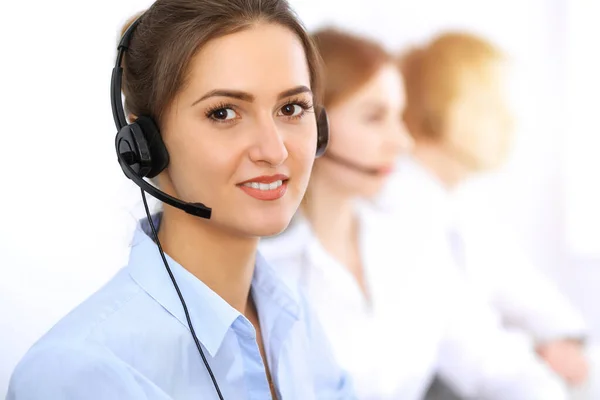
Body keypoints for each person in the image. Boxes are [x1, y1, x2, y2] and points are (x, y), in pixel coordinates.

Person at [6, 1, 356, 399]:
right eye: (224, 113)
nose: (274, 151)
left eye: (291, 108)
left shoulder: (293, 319)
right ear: (146, 146)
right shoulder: (78, 374)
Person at [259, 28, 571, 400]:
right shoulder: (263, 267)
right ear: (308, 123)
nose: (402, 142)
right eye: (374, 117)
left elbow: (494, 361)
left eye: (400, 116)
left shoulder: (411, 242)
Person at [379, 31, 589, 388]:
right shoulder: (396, 206)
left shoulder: (459, 201)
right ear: (439, 107)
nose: (510, 121)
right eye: (490, 106)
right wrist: (544, 358)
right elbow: (472, 348)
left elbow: (522, 288)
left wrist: (568, 339)